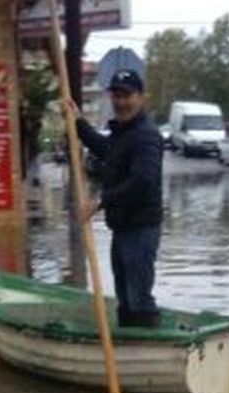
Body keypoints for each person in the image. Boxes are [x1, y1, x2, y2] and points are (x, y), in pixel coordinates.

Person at [63, 69, 164, 328]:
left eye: (127, 95)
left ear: (141, 98)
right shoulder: (123, 132)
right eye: (116, 95)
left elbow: (144, 181)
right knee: (125, 295)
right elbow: (106, 149)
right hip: (123, 226)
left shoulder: (146, 135)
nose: (120, 102)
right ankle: (128, 342)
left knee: (138, 296)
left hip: (141, 228)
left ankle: (147, 352)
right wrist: (78, 123)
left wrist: (100, 202)